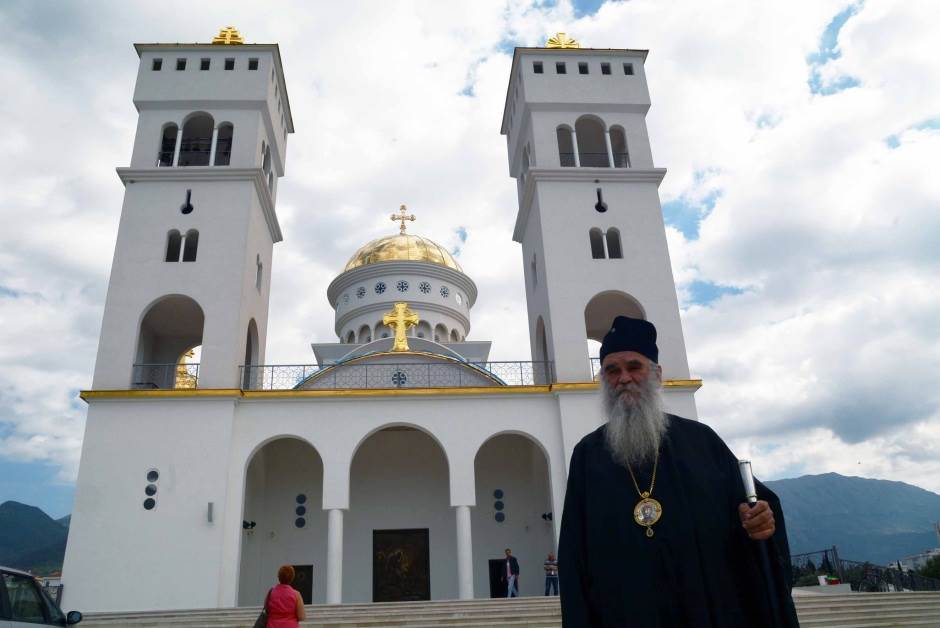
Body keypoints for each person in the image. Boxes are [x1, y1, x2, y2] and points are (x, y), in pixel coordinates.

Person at [559, 316, 800, 627]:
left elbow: (757, 512)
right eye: (612, 370)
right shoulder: (587, 456)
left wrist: (759, 520)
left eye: (634, 367)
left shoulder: (703, 443)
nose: (623, 378)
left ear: (656, 375)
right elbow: (574, 555)